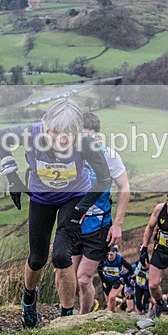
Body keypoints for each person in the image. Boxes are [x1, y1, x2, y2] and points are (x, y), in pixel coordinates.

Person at [0, 99, 112, 327]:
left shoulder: (86, 143)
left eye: (68, 134)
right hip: (41, 198)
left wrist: (81, 209)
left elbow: (104, 179)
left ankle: (66, 317)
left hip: (74, 197)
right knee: (37, 258)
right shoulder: (30, 133)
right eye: (55, 132)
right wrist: (12, 177)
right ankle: (29, 299)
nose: (61, 139)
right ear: (45, 126)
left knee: (61, 255)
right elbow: (1, 136)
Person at [72, 112, 130, 314]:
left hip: (98, 226)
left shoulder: (110, 156)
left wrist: (118, 224)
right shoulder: (70, 155)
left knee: (83, 278)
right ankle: (71, 313)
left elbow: (124, 187)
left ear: (96, 136)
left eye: (87, 136)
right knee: (68, 277)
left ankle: (82, 318)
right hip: (74, 223)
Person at [97, 246, 134, 312]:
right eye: (108, 254)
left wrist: (122, 277)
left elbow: (131, 270)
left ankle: (111, 314)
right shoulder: (103, 258)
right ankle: (113, 313)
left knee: (112, 298)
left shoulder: (119, 259)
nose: (109, 257)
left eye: (111, 254)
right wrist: (103, 281)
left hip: (117, 281)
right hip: (106, 281)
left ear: (116, 253)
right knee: (108, 301)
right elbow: (99, 269)